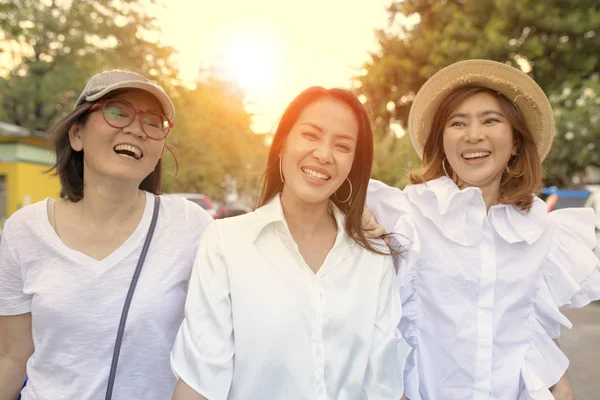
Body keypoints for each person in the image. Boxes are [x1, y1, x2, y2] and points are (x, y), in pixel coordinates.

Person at [365, 59, 600, 400]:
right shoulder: (407, 214)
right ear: (441, 142)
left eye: (491, 120)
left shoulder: (541, 229)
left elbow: (536, 329)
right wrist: (356, 218)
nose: (473, 135)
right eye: (457, 123)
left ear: (516, 141)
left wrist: (561, 388)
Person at [170, 87, 404, 400]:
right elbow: (200, 382)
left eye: (343, 146)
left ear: (352, 164)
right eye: (311, 135)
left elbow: (384, 388)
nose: (323, 154)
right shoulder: (226, 244)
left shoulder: (373, 257)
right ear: (282, 145)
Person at [0, 70, 214, 400]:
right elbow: (12, 356)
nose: (136, 128)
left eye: (153, 121)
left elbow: (214, 351)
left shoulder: (191, 227)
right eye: (117, 111)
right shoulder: (22, 231)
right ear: (77, 134)